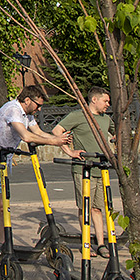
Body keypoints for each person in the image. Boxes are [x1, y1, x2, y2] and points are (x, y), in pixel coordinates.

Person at [0, 85, 71, 268]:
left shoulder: (28, 115)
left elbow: (40, 133)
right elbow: (26, 136)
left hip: (3, 161)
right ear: (27, 100)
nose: (39, 109)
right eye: (38, 105)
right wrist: (53, 140)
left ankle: (3, 248)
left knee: (1, 208)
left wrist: (66, 148)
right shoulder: (13, 110)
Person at [53, 86, 114, 250]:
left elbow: (117, 134)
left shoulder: (106, 119)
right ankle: (86, 242)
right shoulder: (78, 116)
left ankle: (101, 244)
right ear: (94, 99)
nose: (108, 104)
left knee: (98, 208)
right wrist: (69, 151)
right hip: (83, 169)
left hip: (101, 169)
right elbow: (57, 130)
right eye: (105, 101)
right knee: (84, 206)